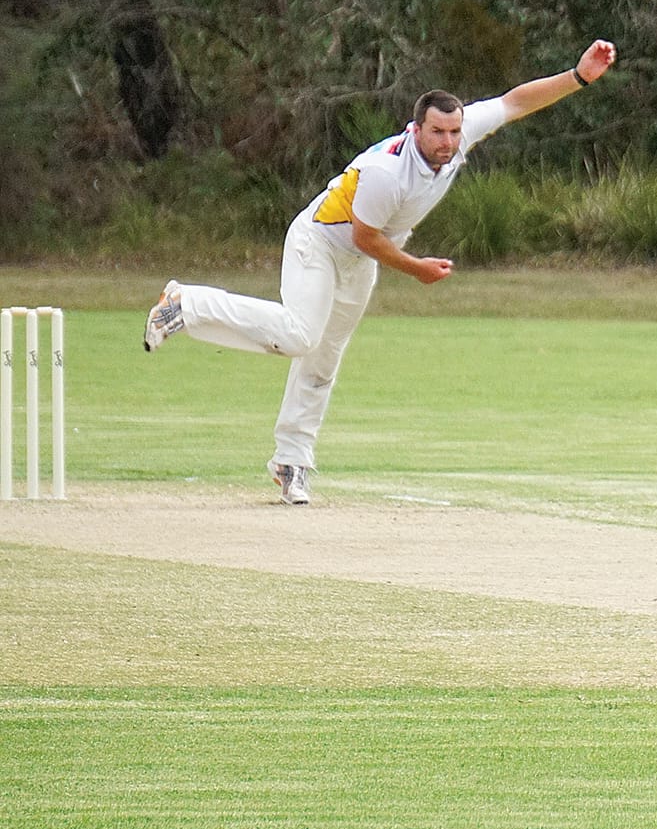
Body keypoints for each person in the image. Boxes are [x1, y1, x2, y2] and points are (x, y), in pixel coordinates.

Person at [141, 40, 618, 505]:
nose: (448, 142)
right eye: (437, 133)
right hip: (321, 242)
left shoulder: (460, 132)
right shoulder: (386, 172)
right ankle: (187, 305)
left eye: (454, 133)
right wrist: (418, 270)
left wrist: (578, 77)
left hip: (361, 258)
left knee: (324, 359)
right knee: (300, 336)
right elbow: (364, 237)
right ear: (416, 130)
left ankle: (291, 463)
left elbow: (515, 102)